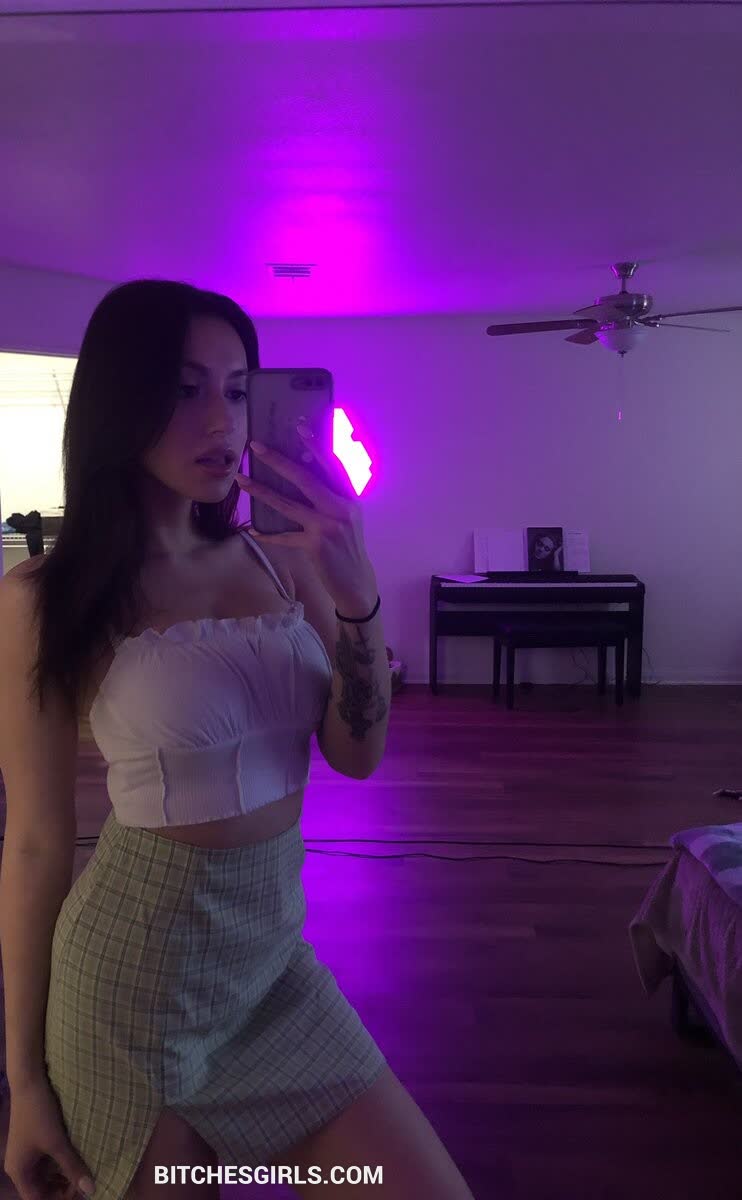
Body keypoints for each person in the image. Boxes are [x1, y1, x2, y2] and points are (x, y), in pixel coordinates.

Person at [0, 279, 476, 1200]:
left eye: (237, 387)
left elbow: (358, 754)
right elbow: (34, 843)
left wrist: (356, 592)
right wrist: (22, 1081)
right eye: (185, 390)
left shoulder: (280, 557)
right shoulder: (45, 597)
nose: (221, 418)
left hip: (273, 972)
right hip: (129, 995)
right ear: (120, 403)